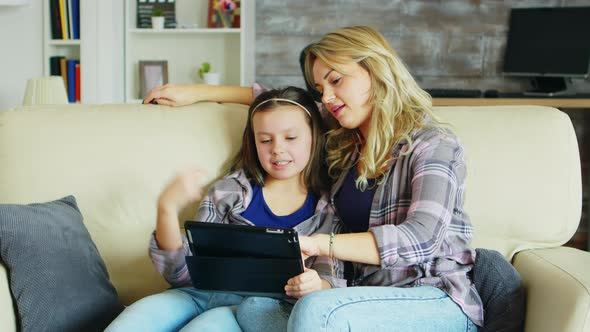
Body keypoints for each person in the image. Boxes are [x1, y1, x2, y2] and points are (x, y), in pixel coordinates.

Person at [143, 26, 525, 332]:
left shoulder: (433, 144)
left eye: (336, 80)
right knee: (255, 309)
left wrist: (317, 244)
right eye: (320, 88)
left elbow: (421, 237)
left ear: (375, 71)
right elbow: (281, 104)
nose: (327, 96)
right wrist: (197, 92)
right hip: (361, 298)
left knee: (315, 315)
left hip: (432, 298)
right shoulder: (343, 144)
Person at [106, 86, 346, 332]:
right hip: (196, 294)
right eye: (265, 140)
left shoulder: (328, 209)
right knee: (133, 320)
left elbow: (331, 282)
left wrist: (316, 285)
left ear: (314, 137)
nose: (277, 149)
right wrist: (166, 208)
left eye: (291, 138)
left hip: (253, 308)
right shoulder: (228, 191)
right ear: (253, 142)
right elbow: (182, 272)